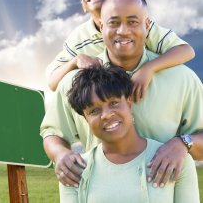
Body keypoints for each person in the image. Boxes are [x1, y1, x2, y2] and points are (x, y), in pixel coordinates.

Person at [40, 0, 203, 191]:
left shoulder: (182, 78)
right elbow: (52, 132)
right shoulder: (75, 82)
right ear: (101, 26)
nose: (123, 31)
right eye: (114, 23)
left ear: (147, 25)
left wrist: (183, 143)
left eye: (133, 22)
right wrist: (60, 154)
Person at [46, 0, 195, 103]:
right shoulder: (78, 38)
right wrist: (75, 61)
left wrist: (148, 69)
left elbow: (185, 51)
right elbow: (52, 82)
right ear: (83, 6)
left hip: (150, 96)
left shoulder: (139, 26)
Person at [59, 65, 199, 203]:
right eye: (94, 111)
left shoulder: (176, 160)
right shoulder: (73, 171)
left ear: (129, 104)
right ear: (86, 119)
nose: (106, 115)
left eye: (113, 103)